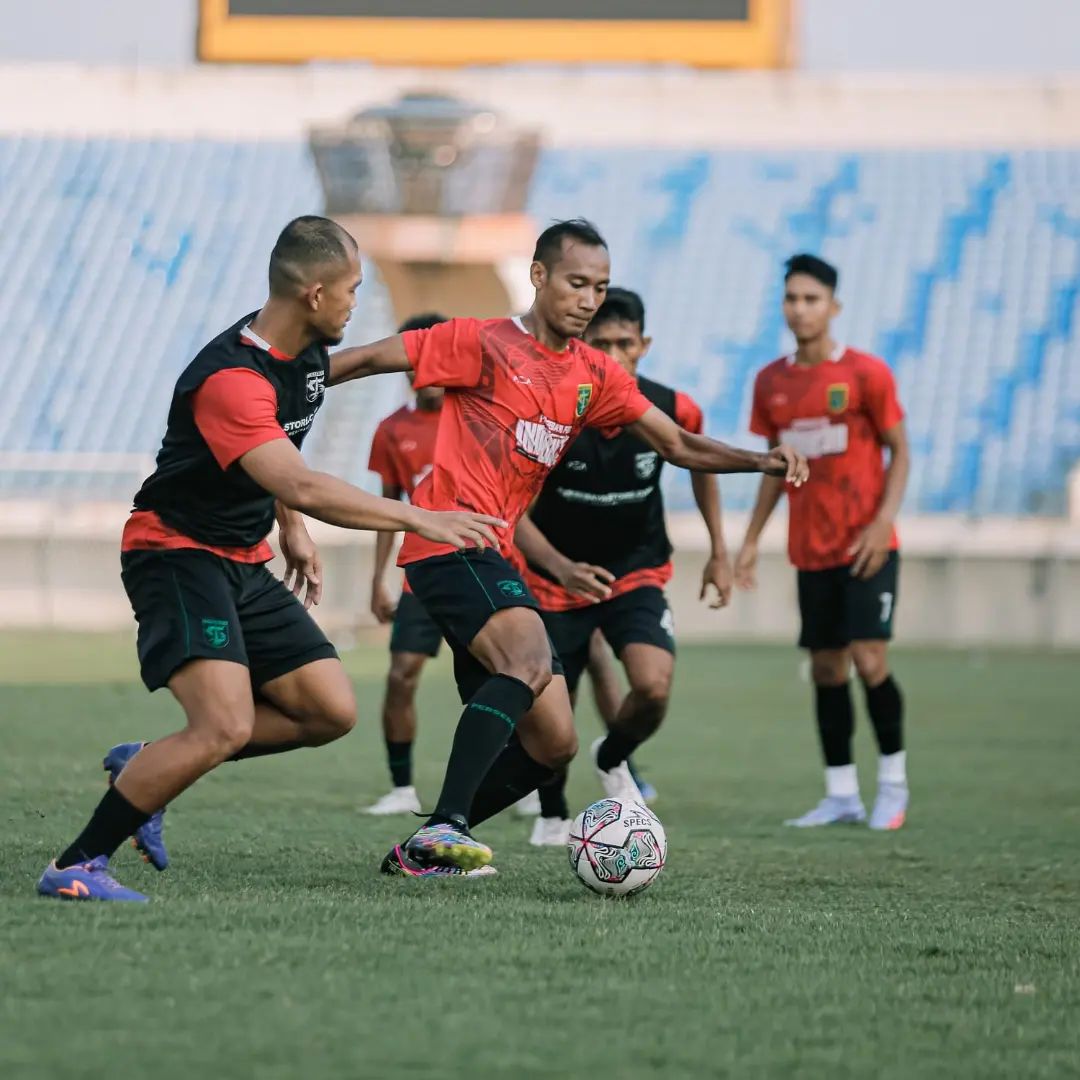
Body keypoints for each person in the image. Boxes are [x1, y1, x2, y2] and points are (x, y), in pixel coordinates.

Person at [37, 217, 503, 901]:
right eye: (350, 290)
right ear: (314, 293)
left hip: (241, 557)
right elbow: (301, 481)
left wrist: (290, 529)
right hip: (176, 555)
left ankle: (148, 765)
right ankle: (75, 866)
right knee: (222, 724)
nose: (355, 302)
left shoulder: (305, 357)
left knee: (327, 710)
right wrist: (420, 516)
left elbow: (284, 454)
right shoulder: (231, 378)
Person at [328, 219, 808, 876]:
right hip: (446, 543)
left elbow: (679, 445)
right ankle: (444, 826)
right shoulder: (481, 341)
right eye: (577, 283)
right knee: (528, 661)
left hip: (491, 554)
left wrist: (762, 460)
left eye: (600, 287)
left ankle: (420, 852)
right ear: (538, 276)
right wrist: (281, 385)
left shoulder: (594, 375)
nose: (588, 298)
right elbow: (364, 359)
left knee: (553, 743)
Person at [514, 287, 733, 846]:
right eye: (601, 342)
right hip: (555, 580)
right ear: (583, 342)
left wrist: (720, 549)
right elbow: (513, 515)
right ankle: (552, 811)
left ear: (644, 345)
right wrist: (561, 568)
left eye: (625, 343)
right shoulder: (553, 410)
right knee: (550, 706)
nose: (613, 354)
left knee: (653, 689)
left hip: (635, 572)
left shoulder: (672, 408)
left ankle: (613, 757)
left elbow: (698, 459)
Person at [734, 253, 910, 831]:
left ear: (833, 306)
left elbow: (900, 450)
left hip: (867, 544)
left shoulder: (866, 374)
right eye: (791, 298)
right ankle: (841, 794)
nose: (800, 308)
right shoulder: (771, 382)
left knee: (869, 657)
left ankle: (892, 783)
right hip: (811, 549)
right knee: (829, 670)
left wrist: (884, 521)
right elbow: (774, 470)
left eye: (811, 298)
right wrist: (752, 540)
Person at [364, 313, 449, 816]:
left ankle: (528, 784)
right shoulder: (391, 430)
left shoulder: (477, 416)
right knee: (401, 675)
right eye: (416, 364)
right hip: (423, 573)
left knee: (504, 678)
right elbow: (387, 509)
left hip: (483, 567)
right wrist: (379, 578)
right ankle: (402, 788)